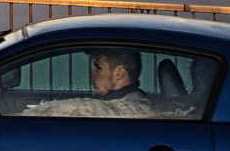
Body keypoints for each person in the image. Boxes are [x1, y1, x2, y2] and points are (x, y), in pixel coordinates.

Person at [23, 48, 158, 118]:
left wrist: (24, 116)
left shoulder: (134, 109)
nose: (92, 74)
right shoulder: (122, 103)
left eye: (98, 68)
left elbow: (85, 107)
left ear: (119, 73)